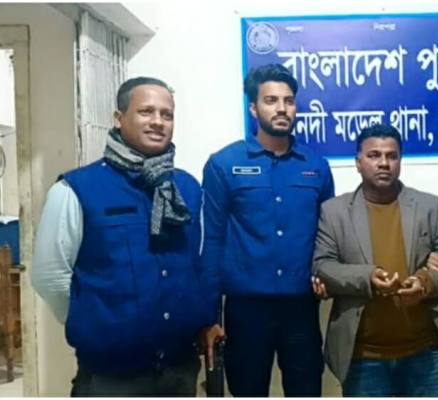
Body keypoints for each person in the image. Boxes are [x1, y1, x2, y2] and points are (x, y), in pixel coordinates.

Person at [32, 77, 207, 396]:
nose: (158, 122)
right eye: (146, 111)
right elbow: (49, 277)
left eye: (167, 114)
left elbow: (197, 264)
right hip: (109, 377)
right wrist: (97, 321)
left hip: (180, 369)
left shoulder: (187, 188)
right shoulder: (76, 189)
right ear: (119, 118)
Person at [199, 63, 334, 396]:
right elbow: (211, 241)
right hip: (246, 310)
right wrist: (209, 316)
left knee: (307, 391)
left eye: (288, 101)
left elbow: (328, 235)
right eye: (271, 100)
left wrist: (326, 274)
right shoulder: (224, 164)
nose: (282, 108)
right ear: (253, 108)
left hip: (301, 308)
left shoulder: (315, 167)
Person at [312, 124, 438, 397]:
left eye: (391, 156)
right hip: (363, 357)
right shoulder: (335, 212)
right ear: (358, 163)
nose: (383, 163)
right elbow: (322, 265)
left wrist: (426, 282)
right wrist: (368, 277)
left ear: (400, 160)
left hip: (424, 353)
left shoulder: (428, 206)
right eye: (374, 155)